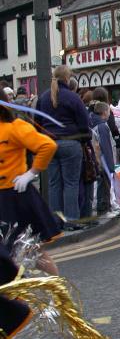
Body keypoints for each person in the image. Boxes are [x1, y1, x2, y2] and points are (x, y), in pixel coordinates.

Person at [0, 89, 61, 275]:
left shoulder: (14, 127)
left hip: (14, 197)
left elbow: (47, 145)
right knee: (7, 257)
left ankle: (59, 295)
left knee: (31, 250)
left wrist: (31, 173)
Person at [35, 65, 90, 228]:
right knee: (71, 183)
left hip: (49, 144)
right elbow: (84, 123)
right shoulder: (73, 98)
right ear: (67, 78)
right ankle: (71, 220)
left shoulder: (43, 98)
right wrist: (85, 139)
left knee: (54, 184)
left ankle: (55, 221)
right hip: (71, 142)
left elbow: (37, 123)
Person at [90, 102, 117, 216]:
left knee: (101, 185)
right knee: (105, 186)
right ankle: (104, 210)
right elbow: (106, 147)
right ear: (105, 112)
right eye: (109, 112)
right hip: (102, 161)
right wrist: (110, 167)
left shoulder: (93, 122)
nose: (110, 114)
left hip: (96, 160)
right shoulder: (102, 126)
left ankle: (103, 208)